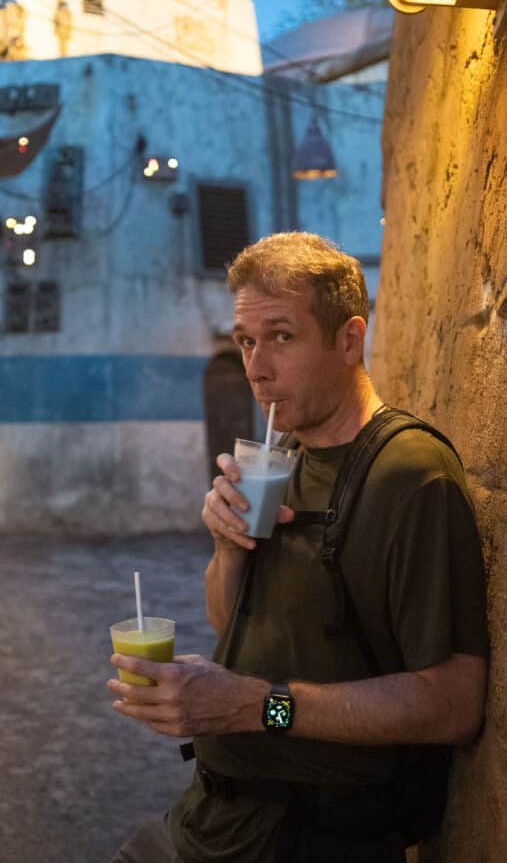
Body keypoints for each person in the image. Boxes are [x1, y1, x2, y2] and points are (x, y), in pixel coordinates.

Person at [108, 232, 489, 863]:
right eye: (247, 341)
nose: (256, 367)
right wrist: (226, 547)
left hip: (306, 836)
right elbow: (231, 623)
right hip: (211, 817)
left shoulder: (409, 474)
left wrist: (255, 706)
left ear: (348, 339)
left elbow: (453, 704)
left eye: (281, 336)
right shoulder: (281, 456)